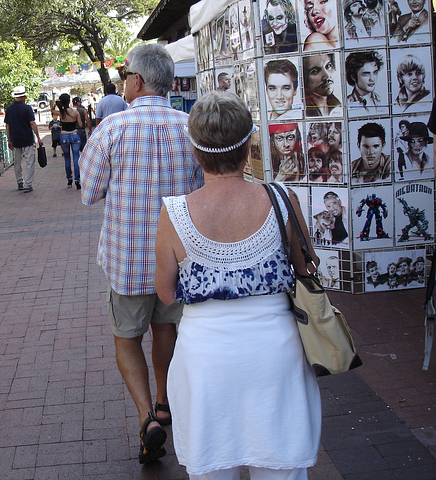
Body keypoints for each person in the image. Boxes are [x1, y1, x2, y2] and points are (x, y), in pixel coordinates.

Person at [154, 91, 321, 479]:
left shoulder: (174, 213)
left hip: (206, 359)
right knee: (280, 466)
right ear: (248, 148)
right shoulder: (282, 199)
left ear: (196, 154)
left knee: (213, 466)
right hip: (276, 354)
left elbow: (165, 292)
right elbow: (305, 267)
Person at [80, 44, 204, 465]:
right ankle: (167, 400)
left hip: (128, 261)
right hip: (179, 261)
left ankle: (145, 416)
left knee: (127, 336)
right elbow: (206, 191)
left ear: (135, 81)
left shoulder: (111, 130)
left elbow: (89, 192)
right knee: (166, 328)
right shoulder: (190, 128)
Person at [4, 85, 43, 193]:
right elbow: (32, 123)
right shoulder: (27, 108)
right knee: (30, 162)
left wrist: (9, 139)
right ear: (23, 96)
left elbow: (7, 126)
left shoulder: (9, 109)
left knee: (17, 162)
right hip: (27, 138)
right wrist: (38, 137)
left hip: (15, 139)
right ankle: (27, 184)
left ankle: (20, 182)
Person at [52, 93, 82, 189]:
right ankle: (77, 179)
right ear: (69, 101)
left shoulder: (61, 113)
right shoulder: (75, 112)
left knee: (67, 158)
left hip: (64, 135)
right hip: (74, 134)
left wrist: (56, 103)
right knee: (76, 157)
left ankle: (69, 178)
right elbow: (80, 124)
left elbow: (52, 110)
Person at [345, 51, 385, 115]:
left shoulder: (381, 99)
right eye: (366, 74)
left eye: (375, 73)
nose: (372, 79)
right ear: (353, 77)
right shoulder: (346, 103)